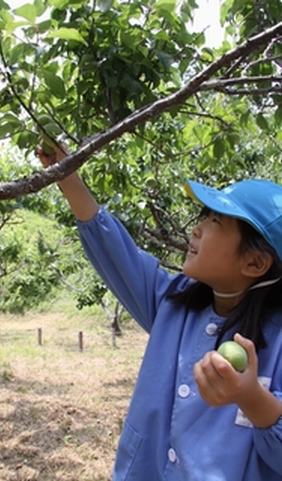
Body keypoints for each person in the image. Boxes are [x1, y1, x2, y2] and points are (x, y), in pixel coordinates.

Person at [37, 144, 282, 481]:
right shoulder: (172, 301)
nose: (197, 229)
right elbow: (117, 255)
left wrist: (251, 397)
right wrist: (69, 179)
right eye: (203, 217)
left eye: (215, 221)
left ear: (255, 262)